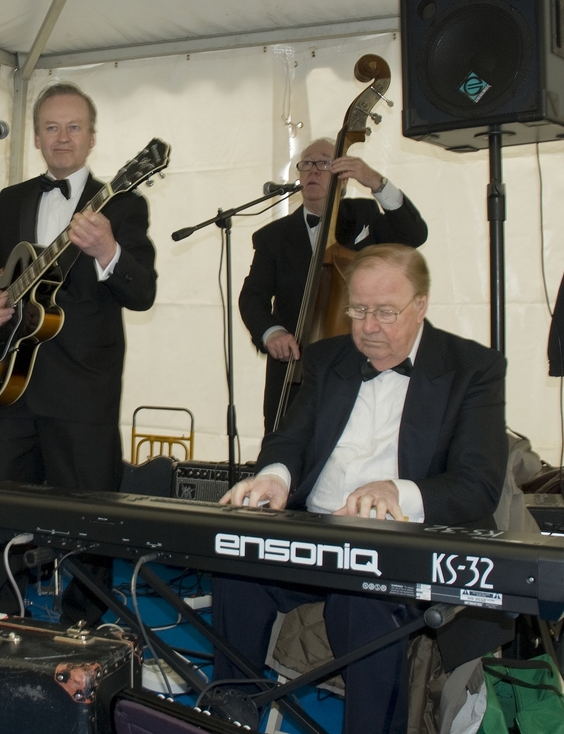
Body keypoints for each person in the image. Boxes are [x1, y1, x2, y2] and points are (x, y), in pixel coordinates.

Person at [214, 244, 508, 734]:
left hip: (403, 546)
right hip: (317, 532)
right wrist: (275, 476)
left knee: (363, 598)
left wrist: (398, 492)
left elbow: (477, 484)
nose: (368, 326)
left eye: (386, 312)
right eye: (358, 310)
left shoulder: (472, 368)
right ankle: (232, 711)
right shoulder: (327, 358)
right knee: (236, 564)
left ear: (421, 305)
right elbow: (289, 439)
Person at [0, 82, 157, 624]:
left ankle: (81, 627)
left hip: (83, 390)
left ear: (92, 137)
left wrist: (108, 250)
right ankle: (0, 619)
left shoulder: (124, 204)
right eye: (51, 128)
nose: (63, 138)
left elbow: (142, 292)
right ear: (37, 137)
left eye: (74, 127)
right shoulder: (12, 200)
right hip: (7, 384)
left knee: (88, 519)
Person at [239, 138, 428, 431]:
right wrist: (272, 333)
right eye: (307, 163)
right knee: (285, 446)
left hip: (360, 362)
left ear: (344, 177)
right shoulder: (273, 236)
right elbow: (253, 296)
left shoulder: (364, 214)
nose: (313, 170)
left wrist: (375, 181)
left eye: (324, 163)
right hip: (295, 371)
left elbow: (413, 234)